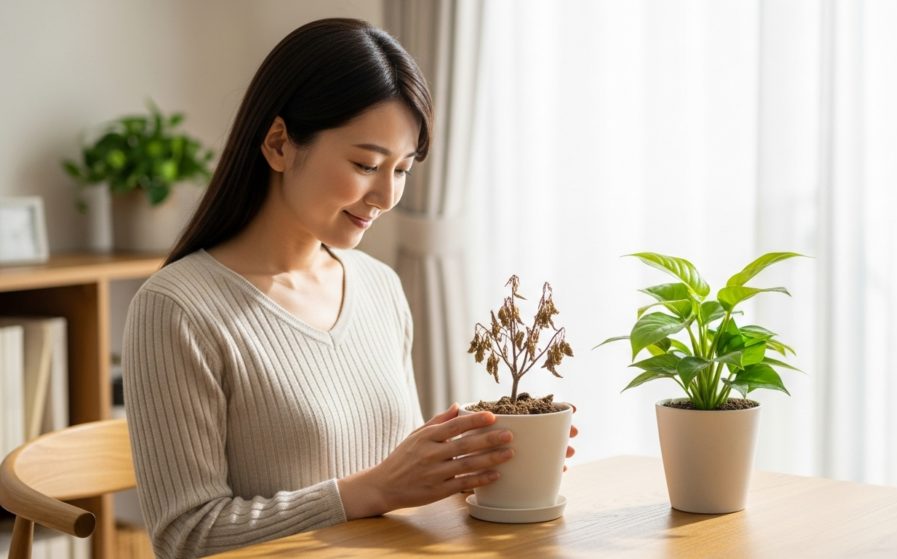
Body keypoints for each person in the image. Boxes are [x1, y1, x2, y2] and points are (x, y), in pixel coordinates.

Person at [123, 18, 575, 559]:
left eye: (403, 169)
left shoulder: (379, 288)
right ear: (278, 144)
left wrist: (469, 467)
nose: (386, 195)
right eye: (366, 164)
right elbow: (186, 537)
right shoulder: (177, 310)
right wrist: (373, 488)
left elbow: (395, 499)